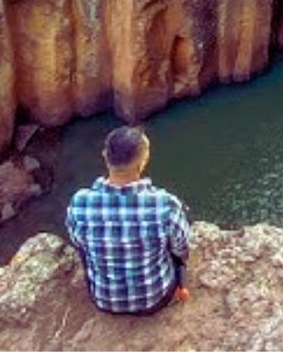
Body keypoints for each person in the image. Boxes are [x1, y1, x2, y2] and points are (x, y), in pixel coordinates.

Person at [66, 126, 192, 315]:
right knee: (176, 232)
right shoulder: (165, 204)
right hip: (155, 299)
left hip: (104, 301)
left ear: (104, 155)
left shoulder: (79, 202)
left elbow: (78, 243)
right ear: (143, 161)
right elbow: (181, 248)